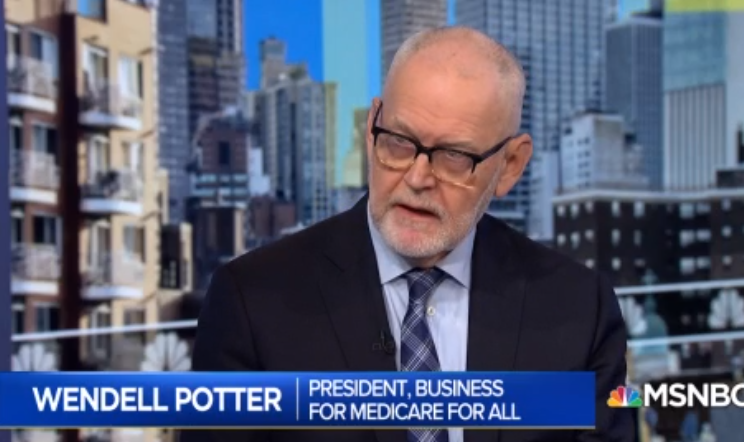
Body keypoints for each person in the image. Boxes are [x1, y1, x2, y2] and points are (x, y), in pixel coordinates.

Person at [182, 26, 635, 442]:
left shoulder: (580, 307)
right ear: (371, 129)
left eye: (454, 156)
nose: (417, 178)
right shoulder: (251, 302)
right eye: (398, 142)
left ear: (510, 166)